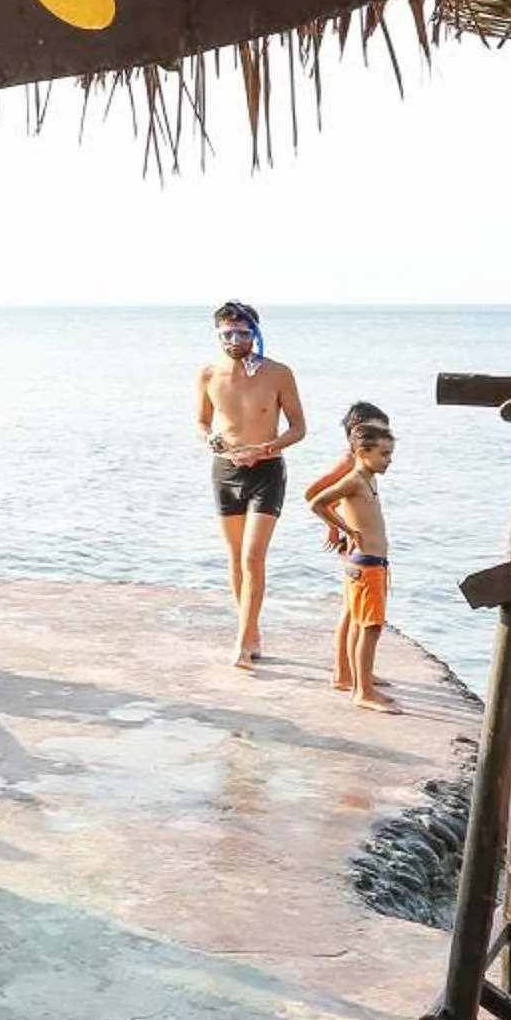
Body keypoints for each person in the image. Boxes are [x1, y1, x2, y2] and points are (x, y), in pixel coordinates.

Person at [195, 302, 307, 670]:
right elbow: (201, 422)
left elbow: (298, 428)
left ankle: (243, 643)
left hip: (266, 471)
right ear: (217, 336)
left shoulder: (278, 374)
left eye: (242, 333)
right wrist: (211, 440)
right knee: (234, 558)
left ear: (255, 333)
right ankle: (252, 630)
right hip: (226, 471)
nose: (234, 341)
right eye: (227, 334)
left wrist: (265, 449)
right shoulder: (209, 375)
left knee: (252, 556)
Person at [305, 424, 396, 712]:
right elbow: (318, 503)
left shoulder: (369, 478)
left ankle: (362, 684)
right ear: (361, 452)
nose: (388, 460)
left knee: (363, 624)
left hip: (374, 563)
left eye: (390, 453)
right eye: (383, 454)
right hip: (365, 565)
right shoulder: (355, 479)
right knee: (370, 626)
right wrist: (345, 529)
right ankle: (362, 692)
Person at [302, 403, 388, 553]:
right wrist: (334, 526)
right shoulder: (350, 461)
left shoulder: (367, 462)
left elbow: (341, 497)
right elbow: (312, 494)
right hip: (357, 544)